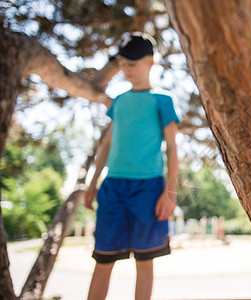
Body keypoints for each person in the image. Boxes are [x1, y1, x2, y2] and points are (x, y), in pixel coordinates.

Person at [84, 32, 179, 300]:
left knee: (145, 260)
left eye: (132, 64)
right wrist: (92, 183)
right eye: (122, 64)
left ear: (150, 62)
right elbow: (106, 146)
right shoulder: (119, 101)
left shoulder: (163, 99)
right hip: (113, 187)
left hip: (148, 189)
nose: (126, 69)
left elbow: (172, 148)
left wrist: (170, 192)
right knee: (103, 259)